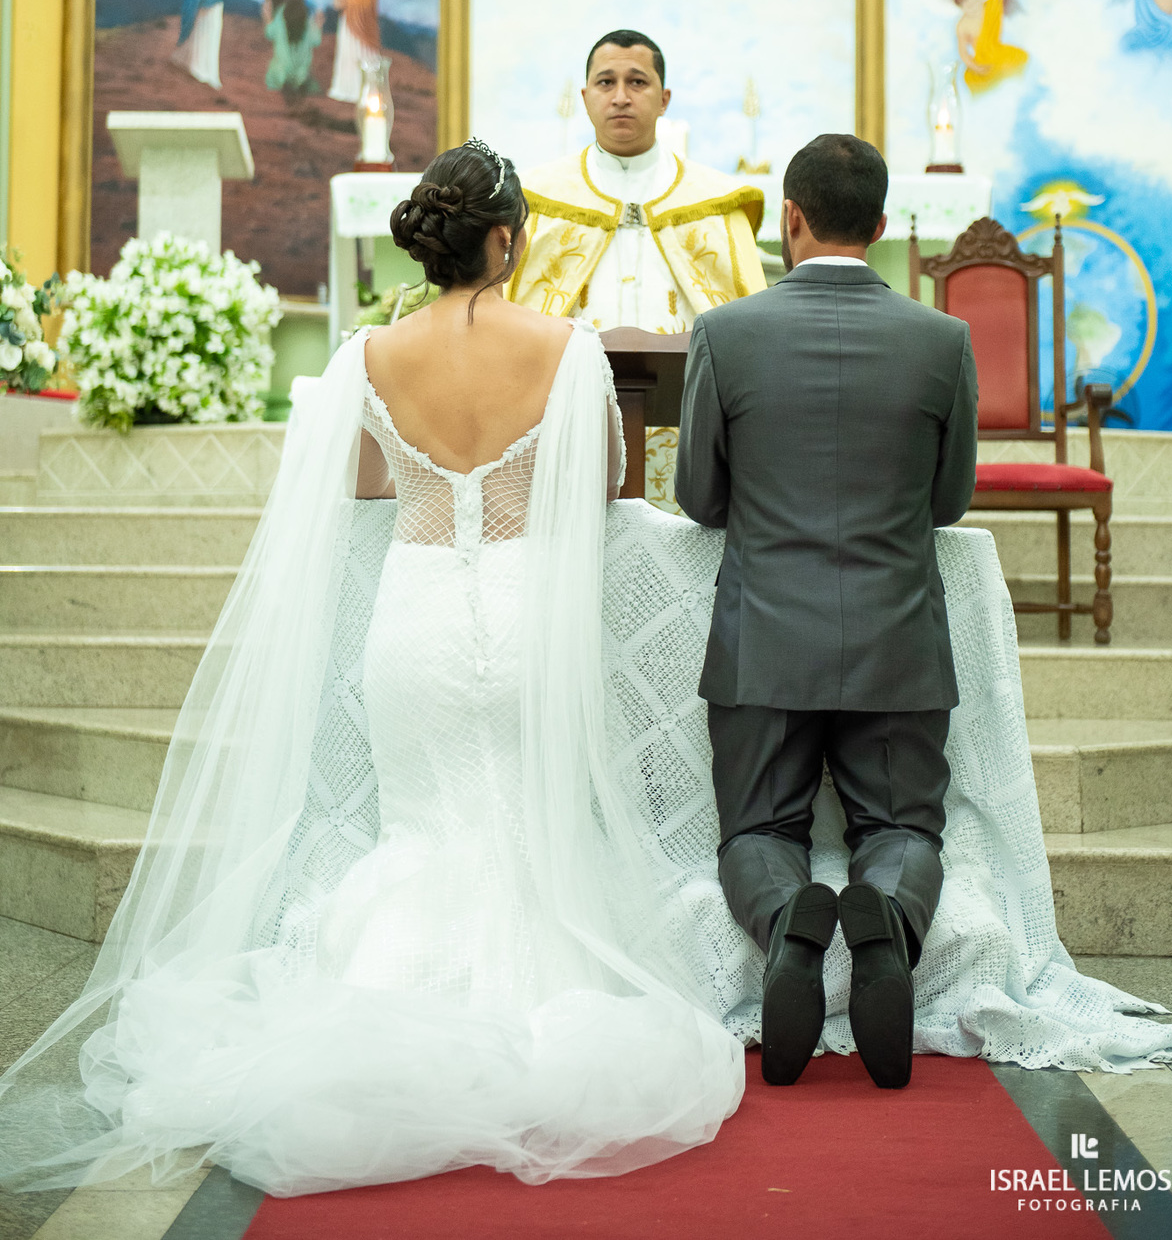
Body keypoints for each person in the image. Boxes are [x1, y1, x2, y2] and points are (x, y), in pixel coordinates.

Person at [0, 140, 743, 1197]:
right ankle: (529, 999)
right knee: (528, 819)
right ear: (506, 238)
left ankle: (390, 995)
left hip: (418, 612)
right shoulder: (566, 347)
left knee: (427, 822)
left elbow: (356, 484)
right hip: (528, 611)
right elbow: (602, 486)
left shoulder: (370, 355)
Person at [675, 133, 978, 1093]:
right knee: (901, 828)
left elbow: (699, 498)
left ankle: (786, 923)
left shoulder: (725, 333)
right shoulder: (943, 339)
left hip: (764, 641)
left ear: (788, 219)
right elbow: (952, 500)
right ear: (882, 228)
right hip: (896, 641)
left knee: (758, 830)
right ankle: (884, 918)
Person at [508, 29, 766, 333]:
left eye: (637, 82)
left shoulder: (717, 202)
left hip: (684, 378)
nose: (620, 98)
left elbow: (748, 327)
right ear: (585, 97)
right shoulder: (535, 198)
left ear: (664, 100)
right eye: (606, 82)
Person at [263, 0, 323, 96]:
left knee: (274, 74)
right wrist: (319, 25)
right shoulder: (307, 16)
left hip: (280, 74)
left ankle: (286, 83)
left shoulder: (280, 13)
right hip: (302, 75)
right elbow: (316, 41)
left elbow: (269, 33)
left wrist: (267, 16)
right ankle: (299, 84)